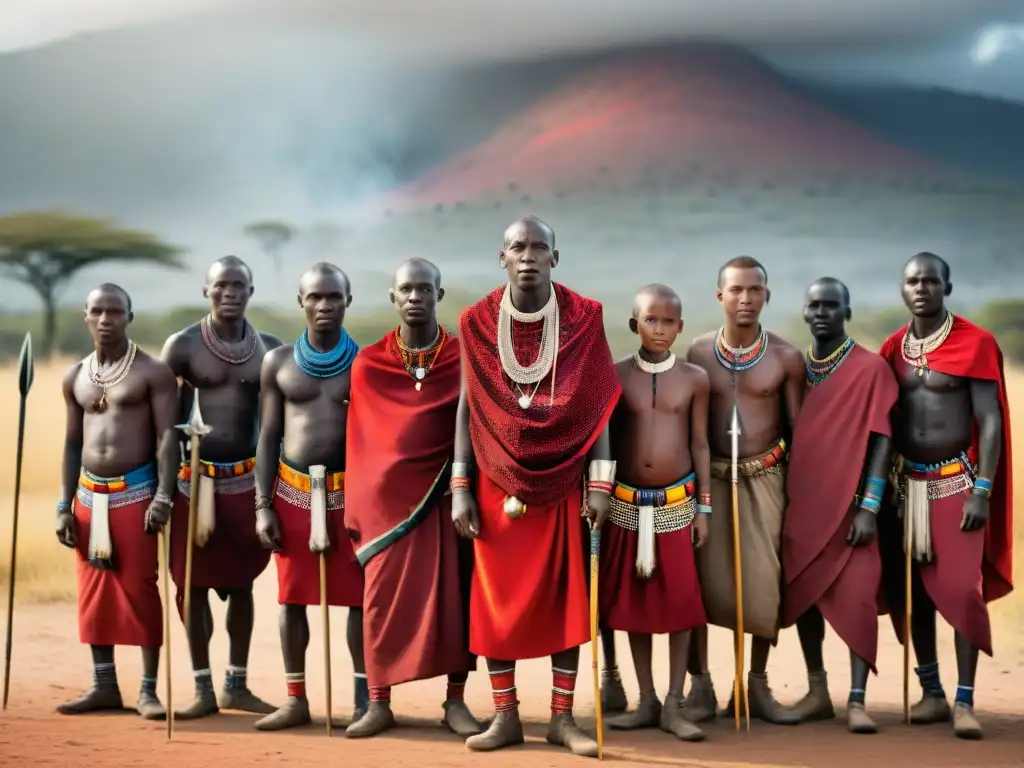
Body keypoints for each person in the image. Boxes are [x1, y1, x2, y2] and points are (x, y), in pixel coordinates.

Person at [452, 215, 622, 757]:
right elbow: (466, 407)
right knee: (497, 603)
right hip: (493, 482)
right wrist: (459, 486)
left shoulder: (584, 319)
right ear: (501, 257)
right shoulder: (476, 322)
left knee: (564, 597)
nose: (528, 255)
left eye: (538, 247)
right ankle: (505, 716)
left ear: (556, 256)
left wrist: (601, 484)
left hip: (566, 477)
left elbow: (599, 405)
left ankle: (562, 718)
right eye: (517, 247)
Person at [343, 258, 482, 739]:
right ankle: (378, 702)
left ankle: (456, 700)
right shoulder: (369, 361)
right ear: (393, 297)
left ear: (439, 296)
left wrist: (463, 487)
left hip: (447, 499)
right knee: (380, 603)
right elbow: (361, 439)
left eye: (425, 289)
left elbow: (474, 426)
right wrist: (365, 502)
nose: (416, 297)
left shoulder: (464, 356)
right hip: (387, 510)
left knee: (456, 599)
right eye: (407, 289)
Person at [877, 252, 1013, 740]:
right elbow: (884, 423)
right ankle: (931, 692)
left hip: (957, 484)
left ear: (946, 287)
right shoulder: (893, 349)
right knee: (913, 595)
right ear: (902, 289)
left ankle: (965, 701)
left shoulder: (975, 344)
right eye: (912, 281)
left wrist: (983, 490)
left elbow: (991, 419)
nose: (921, 288)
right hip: (905, 488)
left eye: (931, 281)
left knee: (960, 591)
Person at [683, 256, 804, 725]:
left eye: (755, 290)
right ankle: (699, 685)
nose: (746, 299)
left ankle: (753, 685)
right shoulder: (695, 353)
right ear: (720, 297)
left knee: (763, 584)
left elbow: (798, 433)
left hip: (767, 477)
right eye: (736, 290)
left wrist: (799, 496)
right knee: (700, 583)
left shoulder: (787, 358)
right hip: (708, 480)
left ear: (767, 296)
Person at [160, 256, 282, 719]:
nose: (230, 293)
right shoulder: (183, 346)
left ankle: (237, 683)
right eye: (221, 285)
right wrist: (164, 493)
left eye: (239, 286)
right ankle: (203, 688)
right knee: (191, 585)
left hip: (247, 482)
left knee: (243, 582)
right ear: (205, 291)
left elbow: (279, 427)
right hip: (194, 483)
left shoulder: (269, 349)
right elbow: (167, 427)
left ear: (251, 292)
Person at [54, 284, 179, 720]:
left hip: (138, 493)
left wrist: (164, 495)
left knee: (140, 589)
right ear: (85, 317)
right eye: (98, 312)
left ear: (129, 316)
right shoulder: (76, 376)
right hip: (89, 496)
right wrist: (62, 506)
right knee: (94, 593)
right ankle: (104, 685)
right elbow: (72, 444)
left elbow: (168, 439)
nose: (106, 319)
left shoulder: (153, 373)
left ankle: (148, 691)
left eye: (115, 312)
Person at [780, 277, 899, 734]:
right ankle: (817, 692)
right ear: (805, 312)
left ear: (847, 312)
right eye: (814, 306)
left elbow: (882, 441)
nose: (822, 313)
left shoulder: (870, 369)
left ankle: (856, 699)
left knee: (857, 598)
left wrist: (870, 506)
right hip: (803, 508)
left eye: (832, 306)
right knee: (804, 596)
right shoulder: (794, 368)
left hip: (853, 510)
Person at [252, 262, 367, 731]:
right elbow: (267, 436)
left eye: (333, 297)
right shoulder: (277, 363)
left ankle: (364, 699)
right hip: (293, 496)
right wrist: (262, 506)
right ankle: (296, 698)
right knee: (291, 598)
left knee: (360, 601)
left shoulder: (367, 364)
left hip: (351, 497)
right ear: (301, 302)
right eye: (315, 297)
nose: (324, 306)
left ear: (347, 301)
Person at [601, 284, 710, 742]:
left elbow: (700, 443)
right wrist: (599, 494)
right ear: (634, 324)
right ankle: (645, 699)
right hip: (625, 506)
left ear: (681, 326)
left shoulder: (694, 379)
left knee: (681, 607)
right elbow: (602, 441)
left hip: (677, 507)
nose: (660, 329)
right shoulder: (613, 376)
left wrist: (704, 507)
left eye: (668, 321)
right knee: (635, 607)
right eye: (650, 320)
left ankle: (674, 702)